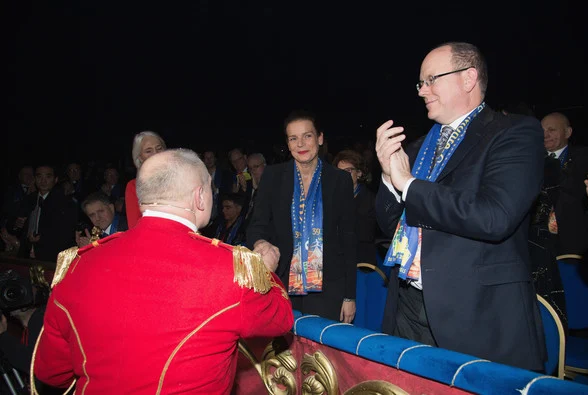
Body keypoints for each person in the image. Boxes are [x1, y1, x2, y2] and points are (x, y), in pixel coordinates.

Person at [32, 148, 294, 394]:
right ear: (200, 197)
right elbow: (280, 319)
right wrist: (264, 269)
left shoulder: (77, 265)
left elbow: (52, 373)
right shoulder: (229, 269)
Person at [374, 42, 545, 371]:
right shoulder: (419, 147)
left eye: (431, 79)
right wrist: (387, 177)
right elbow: (389, 225)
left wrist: (408, 183)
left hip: (477, 313)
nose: (423, 91)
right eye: (420, 83)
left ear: (468, 78)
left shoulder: (514, 133)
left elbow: (494, 217)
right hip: (409, 306)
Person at [247, 110, 357, 323]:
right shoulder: (273, 176)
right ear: (287, 144)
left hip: (329, 287)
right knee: (284, 353)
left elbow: (348, 239)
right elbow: (256, 225)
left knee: (321, 353)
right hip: (281, 282)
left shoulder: (340, 180)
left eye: (307, 136)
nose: (301, 144)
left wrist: (349, 295)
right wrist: (261, 243)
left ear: (320, 138)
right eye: (293, 138)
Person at [528, 112, 588, 328]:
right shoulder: (530, 160)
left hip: (575, 252)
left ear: (568, 132)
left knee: (578, 314)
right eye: (542, 130)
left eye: (552, 130)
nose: (545, 135)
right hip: (539, 251)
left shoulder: (585, 158)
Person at [332, 149, 378, 265]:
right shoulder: (331, 198)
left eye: (348, 170)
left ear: (359, 173)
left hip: (362, 262)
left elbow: (367, 234)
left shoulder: (371, 199)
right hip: (337, 261)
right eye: (339, 171)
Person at [125, 131, 166, 228]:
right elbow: (134, 226)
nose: (156, 154)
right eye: (148, 151)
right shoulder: (133, 186)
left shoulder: (180, 178)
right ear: (139, 157)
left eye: (159, 148)